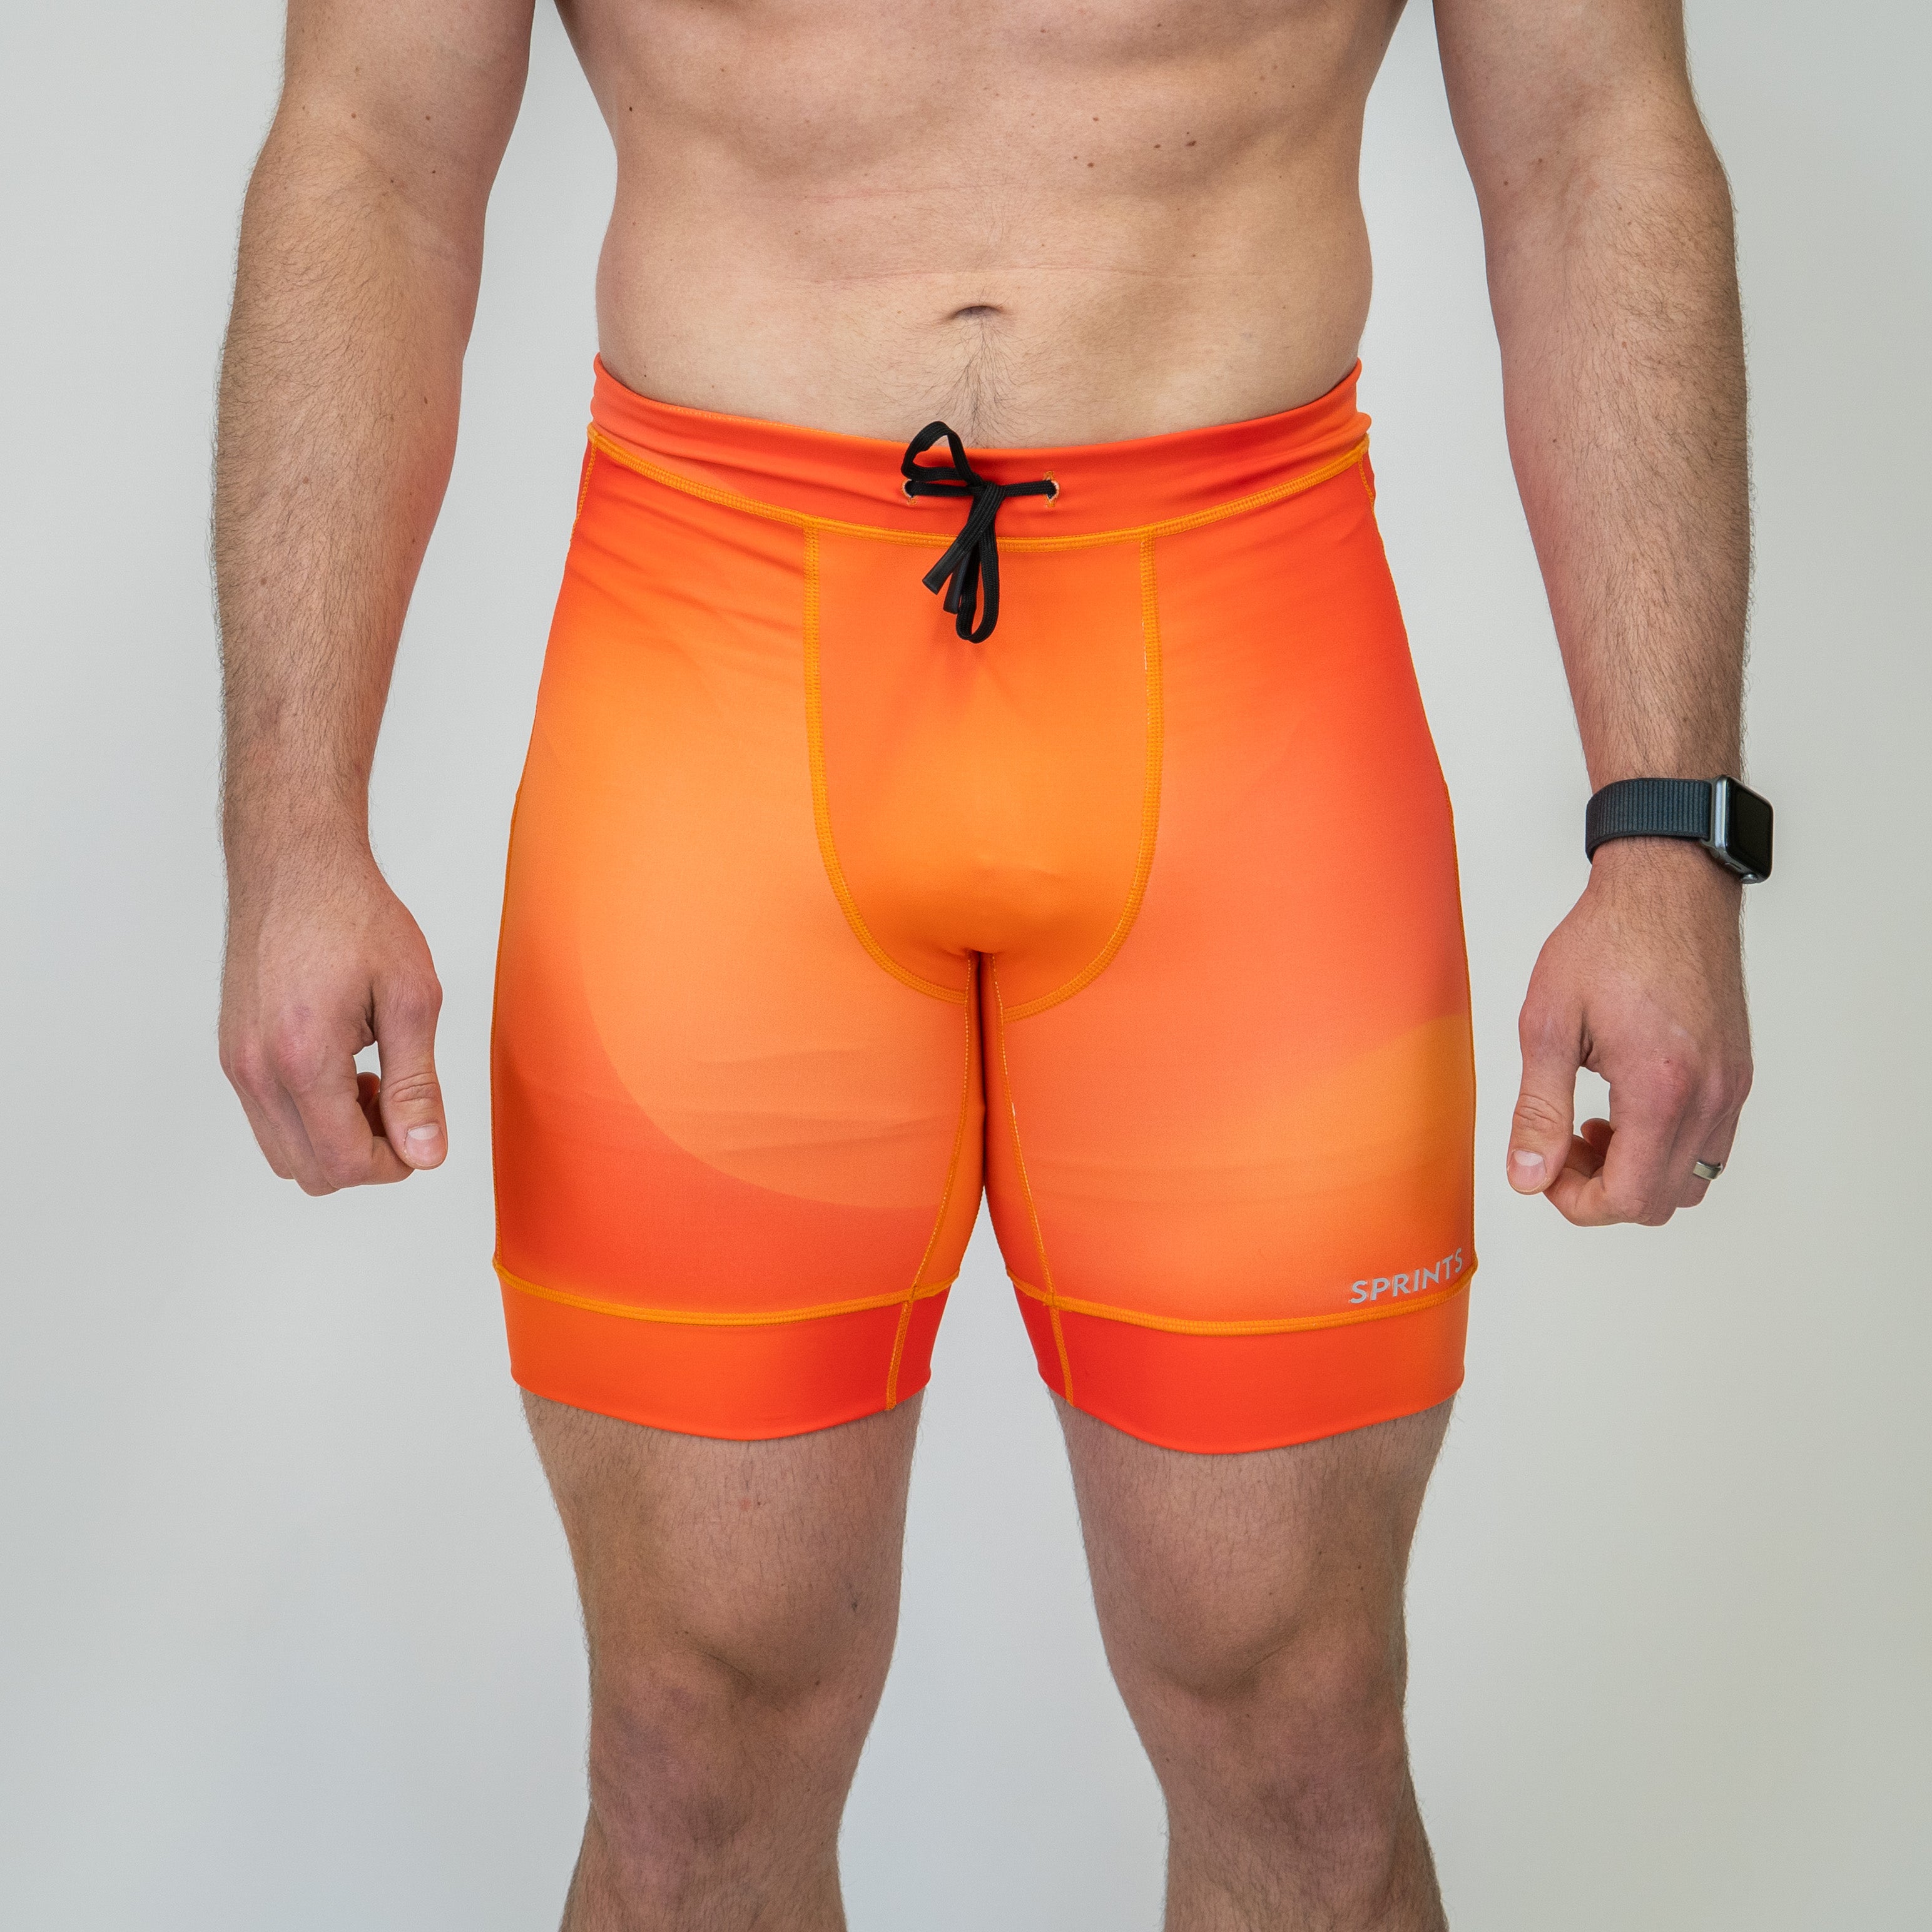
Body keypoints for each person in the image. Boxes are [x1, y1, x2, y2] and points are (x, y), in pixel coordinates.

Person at [213, 1, 1756, 1925]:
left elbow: (1596, 140)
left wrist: (1670, 829)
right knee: (695, 1742)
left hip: (1249, 693)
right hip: (708, 690)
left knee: (1303, 1731)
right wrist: (293, 827)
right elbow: (371, 154)